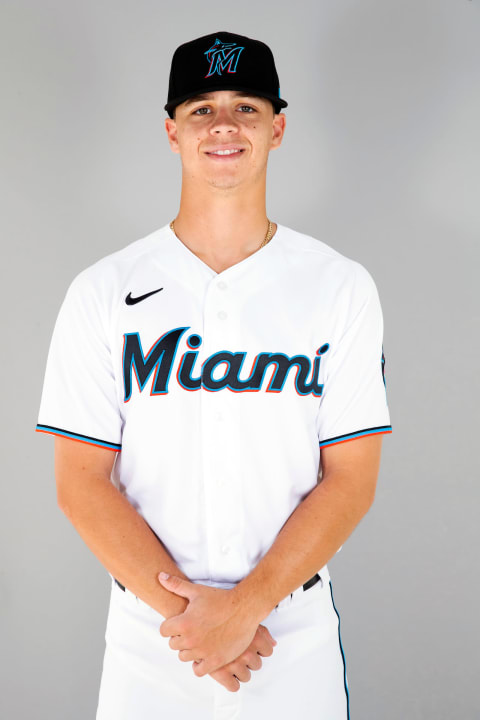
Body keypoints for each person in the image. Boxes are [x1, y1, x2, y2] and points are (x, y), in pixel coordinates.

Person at [36, 30, 392, 720]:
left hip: (291, 632)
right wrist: (201, 622)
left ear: (278, 128)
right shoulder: (104, 289)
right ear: (171, 132)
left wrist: (246, 609)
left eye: (246, 108)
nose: (224, 125)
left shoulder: (339, 286)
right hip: (154, 636)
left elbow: (352, 477)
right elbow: (79, 481)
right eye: (201, 109)